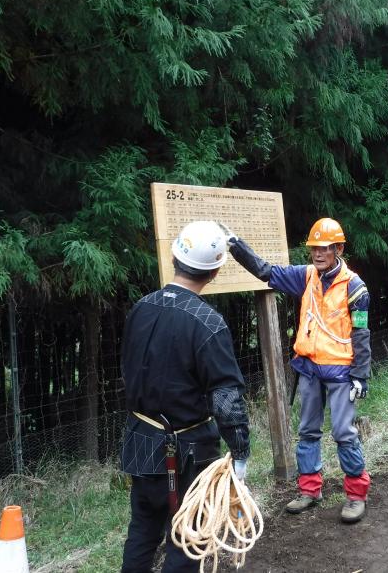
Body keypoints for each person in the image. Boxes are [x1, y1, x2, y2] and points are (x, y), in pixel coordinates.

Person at [221, 217, 372, 524]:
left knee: (344, 433)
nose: (318, 254)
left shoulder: (355, 287)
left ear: (339, 249)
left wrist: (360, 374)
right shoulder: (305, 277)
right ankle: (310, 490)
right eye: (314, 248)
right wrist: (236, 247)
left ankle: (356, 495)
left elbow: (361, 333)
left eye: (325, 248)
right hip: (310, 369)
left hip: (342, 371)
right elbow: (266, 271)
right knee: (307, 432)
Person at [120, 220, 251, 573]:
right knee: (186, 539)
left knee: (142, 532)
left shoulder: (141, 308)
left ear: (175, 256)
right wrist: (239, 453)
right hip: (187, 451)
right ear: (216, 269)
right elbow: (226, 401)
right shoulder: (208, 323)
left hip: (139, 441)